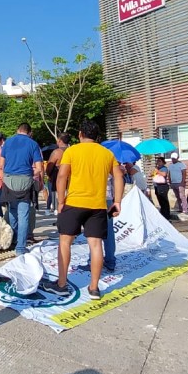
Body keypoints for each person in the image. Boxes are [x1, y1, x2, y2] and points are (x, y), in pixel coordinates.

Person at [42, 120, 124, 300]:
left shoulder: (72, 151)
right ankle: (94, 288)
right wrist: (117, 201)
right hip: (97, 205)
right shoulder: (107, 153)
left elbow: (62, 176)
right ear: (98, 137)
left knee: (65, 242)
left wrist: (61, 200)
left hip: (74, 202)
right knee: (95, 245)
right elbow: (119, 176)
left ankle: (61, 284)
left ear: (80, 134)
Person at [0, 123, 44, 256]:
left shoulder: (7, 142)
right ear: (29, 132)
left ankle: (13, 239)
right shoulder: (33, 144)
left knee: (12, 211)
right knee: (23, 214)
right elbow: (39, 168)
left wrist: (4, 178)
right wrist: (33, 174)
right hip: (25, 179)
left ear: (17, 130)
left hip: (9, 179)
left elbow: (1, 164)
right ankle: (20, 247)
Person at [45, 133, 70, 215]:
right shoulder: (72, 150)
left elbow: (49, 167)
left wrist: (49, 175)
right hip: (71, 180)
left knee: (57, 200)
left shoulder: (57, 152)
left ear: (59, 141)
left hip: (57, 180)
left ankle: (59, 215)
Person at [151, 156, 171, 220]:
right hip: (157, 186)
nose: (158, 162)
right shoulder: (157, 168)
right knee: (160, 200)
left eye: (159, 161)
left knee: (164, 201)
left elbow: (164, 174)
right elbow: (151, 175)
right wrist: (153, 171)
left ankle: (166, 215)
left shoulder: (164, 168)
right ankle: (163, 213)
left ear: (163, 162)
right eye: (157, 161)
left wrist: (158, 171)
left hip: (162, 186)